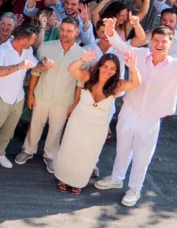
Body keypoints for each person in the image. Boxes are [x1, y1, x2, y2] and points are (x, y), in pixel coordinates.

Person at [94, 19, 177, 206]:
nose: (159, 44)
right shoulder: (140, 54)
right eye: (156, 40)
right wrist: (110, 31)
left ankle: (135, 189)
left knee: (142, 155)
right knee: (122, 148)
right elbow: (120, 45)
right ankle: (116, 178)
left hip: (151, 118)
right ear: (151, 41)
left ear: (171, 43)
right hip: (129, 110)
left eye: (164, 41)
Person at [0, 24, 52, 170]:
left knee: (9, 129)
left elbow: (36, 66)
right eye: (32, 40)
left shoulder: (28, 50)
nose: (34, 43)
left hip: (18, 97)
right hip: (0, 96)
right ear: (24, 40)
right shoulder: (2, 50)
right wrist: (18, 66)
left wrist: (45, 65)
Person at [54, 52, 141, 193]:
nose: (108, 71)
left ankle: (78, 181)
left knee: (88, 153)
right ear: (100, 66)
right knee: (71, 148)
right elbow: (71, 69)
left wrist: (133, 68)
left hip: (99, 126)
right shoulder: (88, 77)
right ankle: (64, 178)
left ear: (116, 71)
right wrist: (83, 59)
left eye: (112, 69)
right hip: (78, 120)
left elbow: (136, 83)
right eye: (105, 66)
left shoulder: (117, 85)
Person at [15, 17, 86, 171]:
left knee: (56, 129)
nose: (64, 33)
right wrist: (31, 95)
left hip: (64, 100)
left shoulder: (82, 54)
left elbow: (80, 83)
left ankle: (50, 156)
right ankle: (27, 150)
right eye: (62, 29)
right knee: (35, 125)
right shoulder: (46, 47)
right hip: (42, 95)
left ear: (76, 32)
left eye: (69, 31)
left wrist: (74, 104)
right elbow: (35, 72)